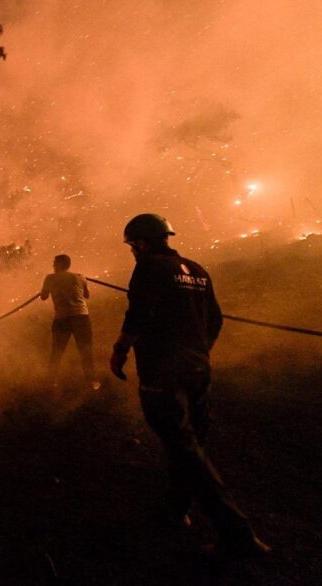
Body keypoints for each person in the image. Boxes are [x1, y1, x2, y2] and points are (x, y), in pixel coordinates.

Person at [109, 213, 270, 558]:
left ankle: (237, 533)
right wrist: (199, 353)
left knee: (184, 449)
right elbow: (215, 319)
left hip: (161, 374)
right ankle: (174, 509)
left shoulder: (149, 268)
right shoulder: (196, 270)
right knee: (188, 444)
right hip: (198, 369)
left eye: (132, 245)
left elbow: (137, 313)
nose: (132, 252)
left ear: (140, 242)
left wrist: (119, 351)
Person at [39, 254, 97, 387]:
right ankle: (92, 381)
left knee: (57, 351)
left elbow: (43, 297)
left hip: (63, 318)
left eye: (54, 263)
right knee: (85, 350)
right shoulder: (80, 276)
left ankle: (51, 380)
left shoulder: (50, 278)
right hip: (81, 316)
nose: (53, 266)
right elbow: (86, 295)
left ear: (59, 265)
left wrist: (46, 289)